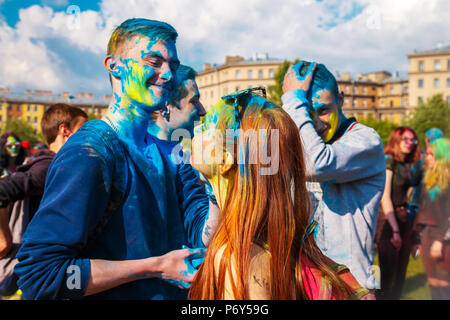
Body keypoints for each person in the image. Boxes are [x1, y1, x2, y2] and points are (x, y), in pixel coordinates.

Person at [14, 18, 208, 300]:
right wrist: (155, 268)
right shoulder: (91, 151)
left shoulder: (168, 152)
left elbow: (201, 229)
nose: (167, 74)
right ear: (113, 66)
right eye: (154, 62)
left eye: (172, 66)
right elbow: (39, 276)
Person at [188, 88, 374, 300]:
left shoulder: (238, 258)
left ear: (224, 160)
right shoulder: (277, 242)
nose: (198, 126)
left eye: (206, 126)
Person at [281, 61, 386, 290]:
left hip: (351, 289)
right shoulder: (305, 146)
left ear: (340, 99)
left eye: (324, 110)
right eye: (308, 114)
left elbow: (317, 165)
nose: (316, 123)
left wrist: (292, 101)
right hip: (309, 284)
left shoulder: (366, 140)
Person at [0, 103, 88, 298]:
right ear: (65, 131)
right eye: (83, 130)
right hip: (45, 268)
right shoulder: (48, 168)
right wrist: (4, 238)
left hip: (44, 269)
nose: (88, 137)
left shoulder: (51, 165)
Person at [147, 64, 218, 246]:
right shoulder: (124, 151)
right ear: (164, 107)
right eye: (194, 101)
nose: (203, 111)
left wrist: (216, 183)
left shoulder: (180, 159)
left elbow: (200, 234)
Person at [376, 126, 423, 300]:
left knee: (401, 272)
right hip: (389, 221)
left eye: (413, 140)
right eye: (405, 139)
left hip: (404, 219)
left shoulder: (406, 163)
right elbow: (385, 196)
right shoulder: (389, 160)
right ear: (396, 139)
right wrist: (395, 230)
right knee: (388, 276)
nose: (410, 143)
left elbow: (409, 191)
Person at [415, 132, 450, 300]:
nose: (426, 157)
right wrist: (419, 239)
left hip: (443, 240)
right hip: (427, 236)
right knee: (433, 283)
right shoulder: (431, 181)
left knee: (444, 285)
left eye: (430, 154)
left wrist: (440, 240)